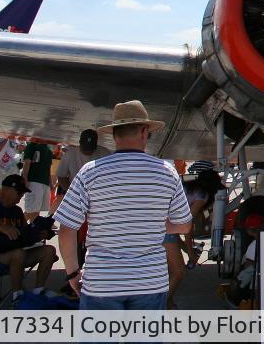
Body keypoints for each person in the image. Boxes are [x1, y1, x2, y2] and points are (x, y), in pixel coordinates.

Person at [54, 100, 193, 309]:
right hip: (149, 282)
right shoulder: (166, 172)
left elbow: (66, 230)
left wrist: (73, 273)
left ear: (113, 134)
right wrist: (150, 225)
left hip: (102, 282)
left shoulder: (90, 172)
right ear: (144, 132)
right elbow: (184, 225)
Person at [0, 174, 58, 305]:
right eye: (19, 191)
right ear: (5, 190)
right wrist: (0, 228)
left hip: (15, 253)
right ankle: (18, 295)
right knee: (18, 254)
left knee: (49, 250)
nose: (21, 195)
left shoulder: (17, 211)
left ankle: (39, 290)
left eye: (23, 192)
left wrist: (39, 234)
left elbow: (24, 235)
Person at [165, 168, 223, 308]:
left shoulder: (185, 188)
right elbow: (186, 225)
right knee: (178, 273)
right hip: (166, 231)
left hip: (160, 227)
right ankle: (163, 303)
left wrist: (186, 248)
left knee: (167, 273)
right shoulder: (202, 195)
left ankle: (169, 303)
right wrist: (191, 253)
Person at [55, 129, 110, 201]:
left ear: (96, 145)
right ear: (79, 142)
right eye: (85, 148)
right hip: (75, 195)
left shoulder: (105, 154)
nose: (87, 151)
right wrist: (74, 192)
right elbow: (61, 177)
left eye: (90, 149)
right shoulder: (70, 154)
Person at [19, 140, 53, 222]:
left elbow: (48, 168)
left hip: (44, 182)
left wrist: (50, 182)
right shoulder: (32, 146)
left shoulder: (49, 150)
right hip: (33, 181)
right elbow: (27, 162)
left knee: (37, 210)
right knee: (31, 210)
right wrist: (25, 178)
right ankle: (17, 228)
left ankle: (32, 230)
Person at [0, 137, 22, 202]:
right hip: (0, 168)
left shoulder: (20, 138)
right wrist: (7, 138)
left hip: (13, 170)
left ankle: (5, 211)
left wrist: (21, 148)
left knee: (10, 194)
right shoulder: (2, 137)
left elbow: (21, 152)